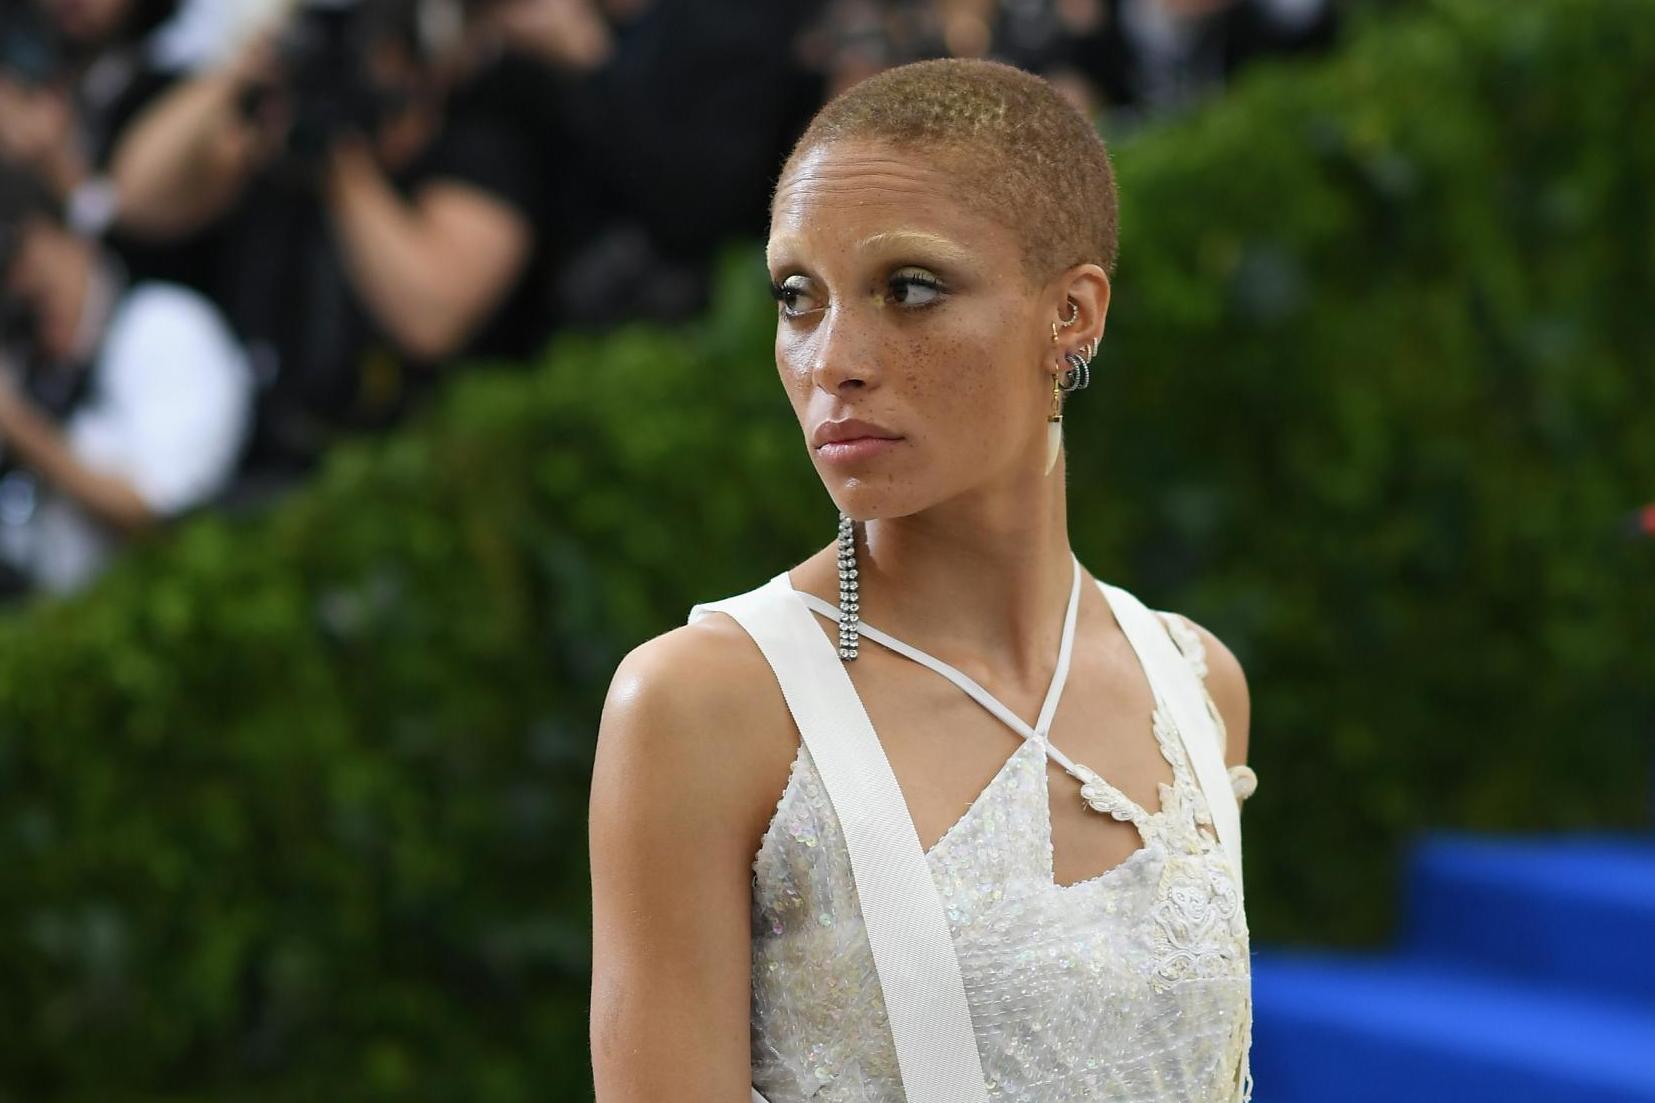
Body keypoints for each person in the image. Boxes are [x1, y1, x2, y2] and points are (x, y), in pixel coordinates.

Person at [589, 58, 1259, 1101]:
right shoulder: (702, 705)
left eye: (908, 287)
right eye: (796, 298)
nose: (832, 358)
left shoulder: (1196, 683)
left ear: (1071, 316)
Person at [0, 162, 251, 597]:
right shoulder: (30, 371)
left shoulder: (162, 325)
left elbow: (150, 510)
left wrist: (21, 429)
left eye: (19, 257)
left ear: (70, 237)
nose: (16, 286)